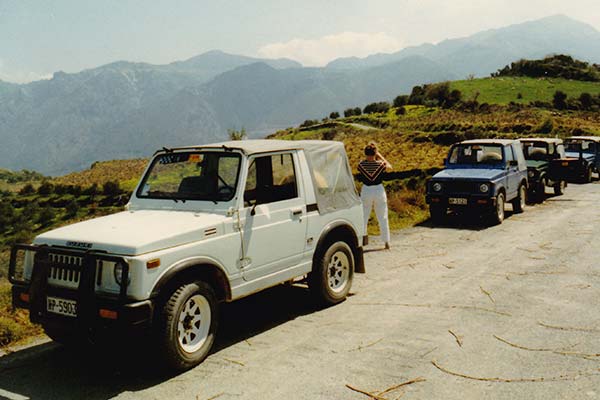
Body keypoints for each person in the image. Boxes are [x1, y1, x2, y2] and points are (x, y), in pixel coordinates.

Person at [358, 142, 392, 249]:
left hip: (366, 190)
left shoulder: (361, 165)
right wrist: (380, 155)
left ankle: (362, 242)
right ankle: (386, 242)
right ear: (375, 153)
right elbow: (390, 167)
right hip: (378, 190)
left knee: (364, 216)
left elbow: (359, 168)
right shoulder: (380, 165)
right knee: (382, 216)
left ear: (365, 153)